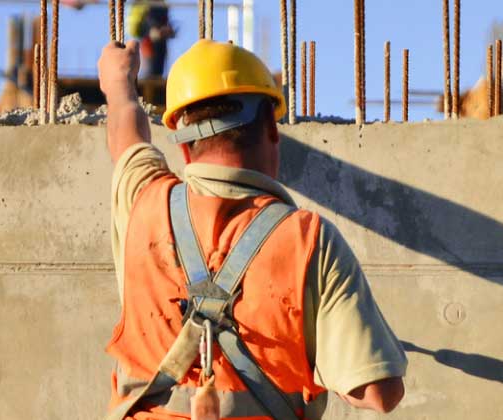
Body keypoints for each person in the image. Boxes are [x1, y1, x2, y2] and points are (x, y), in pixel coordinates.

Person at [98, 38, 407, 420]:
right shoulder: (309, 241)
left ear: (183, 147)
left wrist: (118, 82)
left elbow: (127, 139)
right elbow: (378, 392)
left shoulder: (144, 201)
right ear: (270, 129)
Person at [127, 0, 176, 77]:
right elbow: (135, 29)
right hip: (148, 45)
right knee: (150, 75)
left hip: (161, 46)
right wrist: (151, 32)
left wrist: (168, 30)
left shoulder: (162, 4)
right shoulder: (142, 4)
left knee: (158, 74)